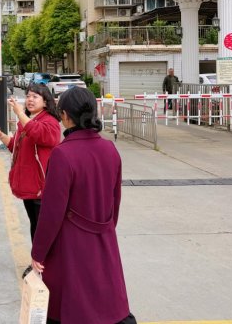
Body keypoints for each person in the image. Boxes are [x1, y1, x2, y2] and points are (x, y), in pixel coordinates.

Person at [30, 87, 134, 324]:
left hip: (70, 245)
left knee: (72, 308)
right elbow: (115, 202)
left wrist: (38, 252)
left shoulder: (63, 154)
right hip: (104, 239)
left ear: (65, 115)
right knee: (106, 306)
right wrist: (104, 230)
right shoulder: (110, 149)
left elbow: (51, 213)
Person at [0, 83, 61, 275]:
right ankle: (39, 263)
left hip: (42, 187)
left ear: (45, 102)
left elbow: (41, 135)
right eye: (28, 96)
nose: (30, 99)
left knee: (42, 230)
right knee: (36, 226)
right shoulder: (28, 120)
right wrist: (1, 136)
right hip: (30, 187)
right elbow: (16, 146)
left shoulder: (50, 122)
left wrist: (20, 114)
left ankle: (43, 266)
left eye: (35, 97)